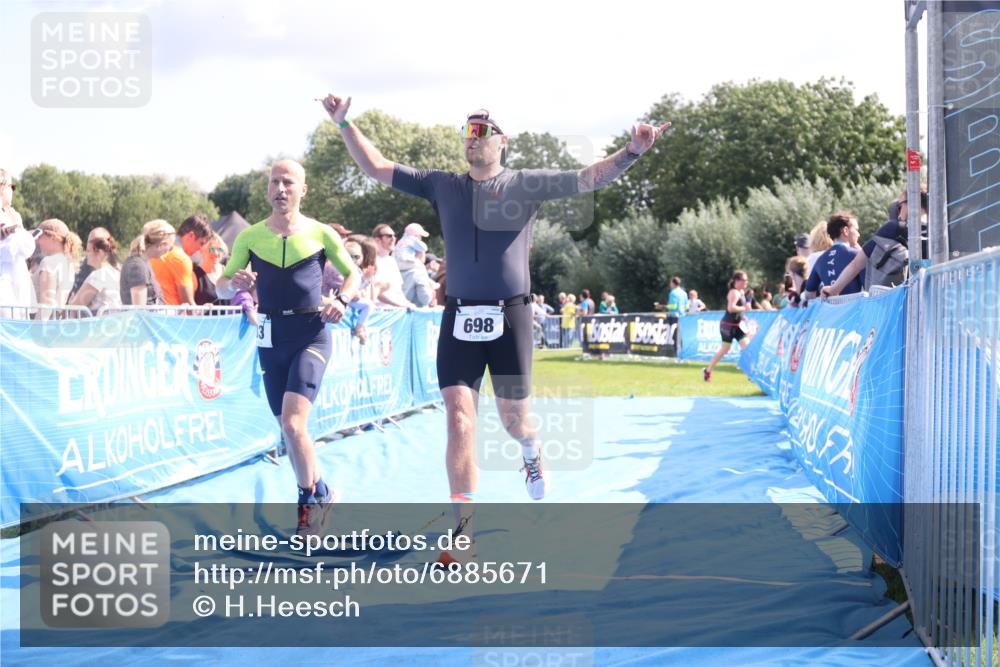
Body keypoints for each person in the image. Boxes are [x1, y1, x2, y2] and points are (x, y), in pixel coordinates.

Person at [321, 93, 669, 518]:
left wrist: (632, 152)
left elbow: (588, 177)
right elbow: (376, 167)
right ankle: (462, 528)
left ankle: (531, 450)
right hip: (459, 315)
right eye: (468, 130)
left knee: (515, 422)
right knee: (459, 420)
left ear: (502, 141)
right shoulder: (442, 184)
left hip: (511, 316)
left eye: (483, 131)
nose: (473, 138)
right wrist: (343, 123)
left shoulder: (525, 184)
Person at [216, 160, 359, 537]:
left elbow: (353, 274)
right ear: (267, 190)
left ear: (303, 190)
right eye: (275, 182)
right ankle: (323, 491)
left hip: (311, 332)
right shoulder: (248, 238)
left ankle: (307, 504)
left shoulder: (320, 232)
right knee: (287, 428)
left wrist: (342, 301)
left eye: (288, 182)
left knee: (295, 423)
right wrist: (235, 283)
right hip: (270, 336)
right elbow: (220, 285)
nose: (281, 189)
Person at [822, 187, 929, 298]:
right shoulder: (940, 234)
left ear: (910, 203)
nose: (898, 214)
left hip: (902, 305)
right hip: (933, 304)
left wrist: (833, 289)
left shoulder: (894, 229)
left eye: (899, 207)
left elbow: (857, 264)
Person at [150, 213, 212, 306]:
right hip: (171, 317)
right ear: (191, 236)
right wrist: (204, 310)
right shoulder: (181, 258)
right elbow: (188, 306)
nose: (201, 248)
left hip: (150, 314)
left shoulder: (156, 248)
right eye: (201, 243)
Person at [0, 169, 36, 319]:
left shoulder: (13, 214)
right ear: (2, 186)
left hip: (17, 278)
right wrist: (23, 238)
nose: (12, 191)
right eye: (11, 186)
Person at [703, 271, 751, 382]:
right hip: (728, 326)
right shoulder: (734, 292)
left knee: (747, 348)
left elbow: (737, 309)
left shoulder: (741, 292)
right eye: (744, 280)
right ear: (737, 281)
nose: (746, 282)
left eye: (747, 280)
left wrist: (743, 316)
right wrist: (745, 309)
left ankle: (749, 372)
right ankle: (708, 370)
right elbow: (731, 308)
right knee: (725, 350)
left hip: (737, 325)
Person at [803, 211, 863, 300]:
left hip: (831, 312)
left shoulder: (820, 259)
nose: (858, 234)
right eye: (856, 230)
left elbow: (809, 294)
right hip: (854, 312)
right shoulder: (857, 255)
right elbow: (871, 288)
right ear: (845, 231)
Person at [33, 218, 82, 319]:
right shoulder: (69, 264)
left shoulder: (49, 263)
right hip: (55, 323)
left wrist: (35, 331)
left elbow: (46, 303)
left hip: (42, 325)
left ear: (52, 237)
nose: (37, 240)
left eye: (40, 236)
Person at [121, 220, 175, 305]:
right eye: (170, 248)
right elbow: (139, 309)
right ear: (161, 245)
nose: (169, 251)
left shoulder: (143, 263)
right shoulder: (137, 266)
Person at [68, 231, 122, 315]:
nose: (86, 255)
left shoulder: (98, 275)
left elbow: (76, 306)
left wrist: (71, 302)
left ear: (99, 252)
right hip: (114, 322)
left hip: (99, 325)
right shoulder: (116, 272)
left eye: (88, 251)